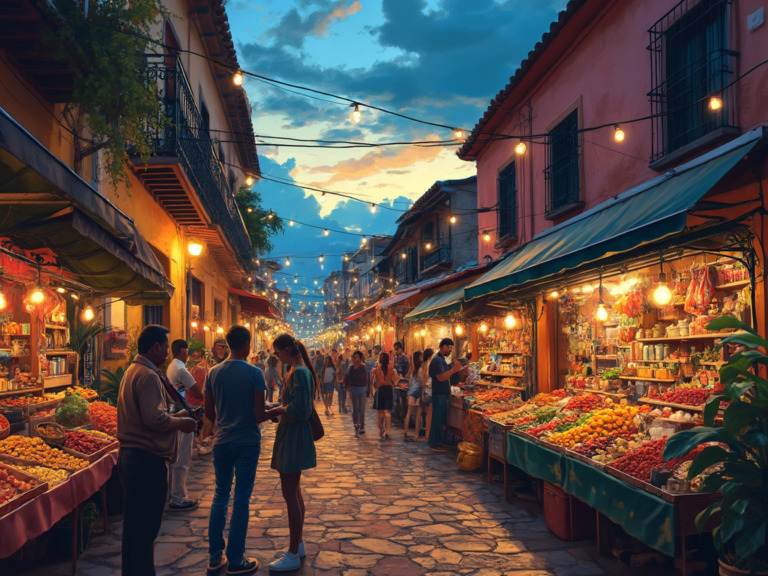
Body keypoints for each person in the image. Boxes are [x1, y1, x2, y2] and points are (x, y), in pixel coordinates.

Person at [117, 325, 197, 576]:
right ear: (155, 348)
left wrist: (179, 414)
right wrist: (182, 423)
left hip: (133, 459)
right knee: (145, 530)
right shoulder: (149, 375)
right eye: (164, 347)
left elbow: (153, 415)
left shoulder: (134, 370)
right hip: (146, 461)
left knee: (134, 528)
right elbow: (156, 420)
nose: (166, 352)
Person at [205, 325, 268, 575]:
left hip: (221, 440)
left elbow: (209, 414)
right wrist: (276, 411)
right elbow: (259, 415)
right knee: (241, 498)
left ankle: (214, 556)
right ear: (246, 344)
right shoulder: (255, 373)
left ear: (229, 345)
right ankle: (236, 559)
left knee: (220, 495)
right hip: (247, 441)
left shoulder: (213, 373)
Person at [266, 335, 318, 572]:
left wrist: (275, 410)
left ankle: (292, 553)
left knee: (290, 493)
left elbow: (300, 408)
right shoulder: (299, 370)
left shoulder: (298, 372)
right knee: (294, 492)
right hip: (293, 434)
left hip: (294, 436)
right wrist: (276, 407)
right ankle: (298, 544)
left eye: (278, 354)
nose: (277, 359)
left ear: (287, 351)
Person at [166, 339, 204, 511]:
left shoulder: (171, 367)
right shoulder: (181, 369)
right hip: (182, 416)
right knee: (182, 458)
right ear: (183, 351)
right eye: (187, 351)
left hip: (174, 414)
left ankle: (172, 494)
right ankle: (178, 497)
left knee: (175, 459)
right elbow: (198, 392)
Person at [428, 338, 462, 452]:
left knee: (441, 420)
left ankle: (440, 441)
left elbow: (447, 374)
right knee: (437, 420)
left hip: (443, 394)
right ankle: (434, 443)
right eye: (450, 348)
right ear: (444, 347)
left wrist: (454, 368)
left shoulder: (441, 360)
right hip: (439, 395)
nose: (450, 351)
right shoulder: (437, 360)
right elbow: (441, 377)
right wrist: (454, 370)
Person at [372, 352, 397, 440]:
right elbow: (395, 381)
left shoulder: (376, 370)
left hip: (380, 391)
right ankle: (388, 431)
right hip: (389, 391)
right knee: (388, 412)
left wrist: (373, 392)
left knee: (380, 412)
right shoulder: (392, 370)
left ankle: (380, 429)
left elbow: (375, 382)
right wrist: (390, 383)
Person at [345, 350, 368, 436]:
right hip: (354, 389)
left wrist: (367, 389)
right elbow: (347, 377)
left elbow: (366, 378)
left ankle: (362, 425)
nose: (356, 359)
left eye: (357, 357)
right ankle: (356, 424)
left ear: (360, 358)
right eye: (354, 357)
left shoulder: (363, 367)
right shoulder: (350, 368)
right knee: (355, 408)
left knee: (361, 408)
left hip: (362, 389)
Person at [402, 350, 423, 442]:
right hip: (418, 392)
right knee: (418, 413)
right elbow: (422, 382)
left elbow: (410, 383)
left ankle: (405, 431)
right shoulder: (421, 369)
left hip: (411, 392)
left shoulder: (413, 371)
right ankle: (416, 434)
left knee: (409, 412)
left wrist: (409, 392)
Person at [420, 348, 434, 441]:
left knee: (424, 412)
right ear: (430, 357)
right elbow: (427, 379)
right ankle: (428, 434)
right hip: (428, 390)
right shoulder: (428, 365)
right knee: (430, 412)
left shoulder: (422, 364)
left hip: (423, 390)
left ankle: (425, 431)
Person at [336, 349, 350, 414]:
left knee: (343, 394)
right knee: (341, 395)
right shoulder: (338, 366)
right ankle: (342, 406)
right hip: (339, 382)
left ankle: (342, 406)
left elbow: (345, 371)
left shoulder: (342, 366)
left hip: (342, 382)